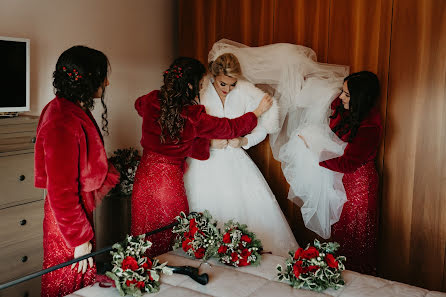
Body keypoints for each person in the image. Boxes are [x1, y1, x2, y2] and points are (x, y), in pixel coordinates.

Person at [131, 57, 273, 257]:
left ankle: (142, 271)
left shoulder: (151, 99)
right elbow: (230, 128)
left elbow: (140, 107)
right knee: (170, 236)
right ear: (190, 85)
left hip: (145, 176)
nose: (202, 88)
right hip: (168, 182)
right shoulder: (192, 115)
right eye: (199, 85)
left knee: (145, 233)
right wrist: (257, 112)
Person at [184, 53, 299, 257]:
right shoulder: (199, 90)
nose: (228, 89)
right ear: (213, 75)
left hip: (235, 160)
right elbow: (187, 130)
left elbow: (264, 127)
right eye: (223, 84)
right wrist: (208, 143)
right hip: (203, 161)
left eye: (232, 84)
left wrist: (244, 141)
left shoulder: (246, 92)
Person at [34, 46, 120, 297]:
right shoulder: (62, 118)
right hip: (68, 223)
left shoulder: (69, 109)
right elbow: (61, 190)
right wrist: (80, 239)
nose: (107, 81)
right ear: (89, 77)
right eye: (103, 74)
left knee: (80, 282)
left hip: (74, 215)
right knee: (69, 282)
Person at [318, 71, 382, 274]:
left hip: (361, 186)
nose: (341, 97)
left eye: (346, 94)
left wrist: (315, 155)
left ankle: (357, 282)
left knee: (356, 238)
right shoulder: (356, 113)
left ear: (359, 97)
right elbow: (338, 108)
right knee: (344, 234)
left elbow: (347, 164)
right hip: (348, 183)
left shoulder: (370, 126)